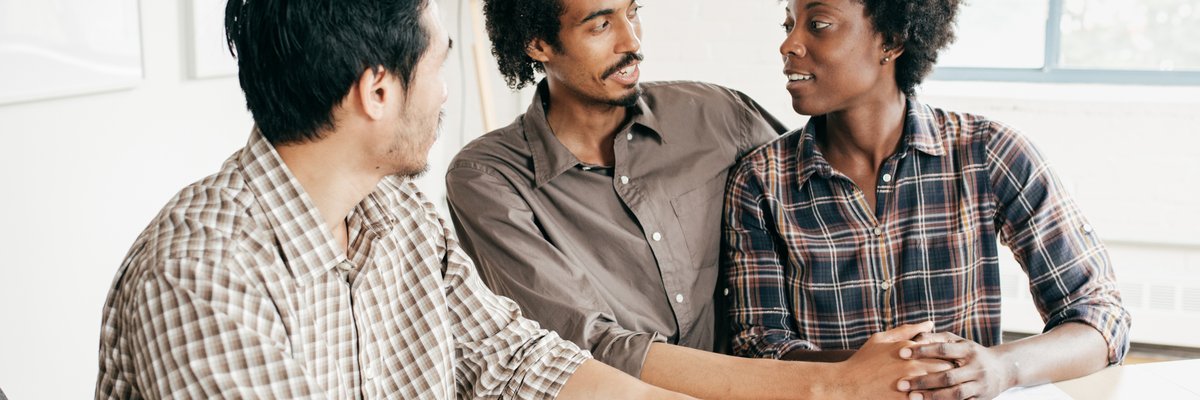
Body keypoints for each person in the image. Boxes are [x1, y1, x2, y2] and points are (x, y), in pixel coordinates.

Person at [93, 0, 695, 398]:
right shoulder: (199, 275)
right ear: (378, 92)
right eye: (439, 68)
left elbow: (517, 363)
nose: (442, 95)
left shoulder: (402, 217)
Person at [446, 0, 953, 398]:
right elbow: (590, 347)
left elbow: (818, 201)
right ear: (538, 44)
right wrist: (835, 384)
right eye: (600, 25)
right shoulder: (488, 179)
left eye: (633, 12)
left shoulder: (716, 115)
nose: (632, 42)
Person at [722, 0, 1133, 399]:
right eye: (788, 25)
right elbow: (760, 348)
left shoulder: (991, 154)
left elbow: (1099, 317)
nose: (788, 44)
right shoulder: (760, 181)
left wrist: (1002, 367)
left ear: (892, 40)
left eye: (818, 24)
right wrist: (867, 375)